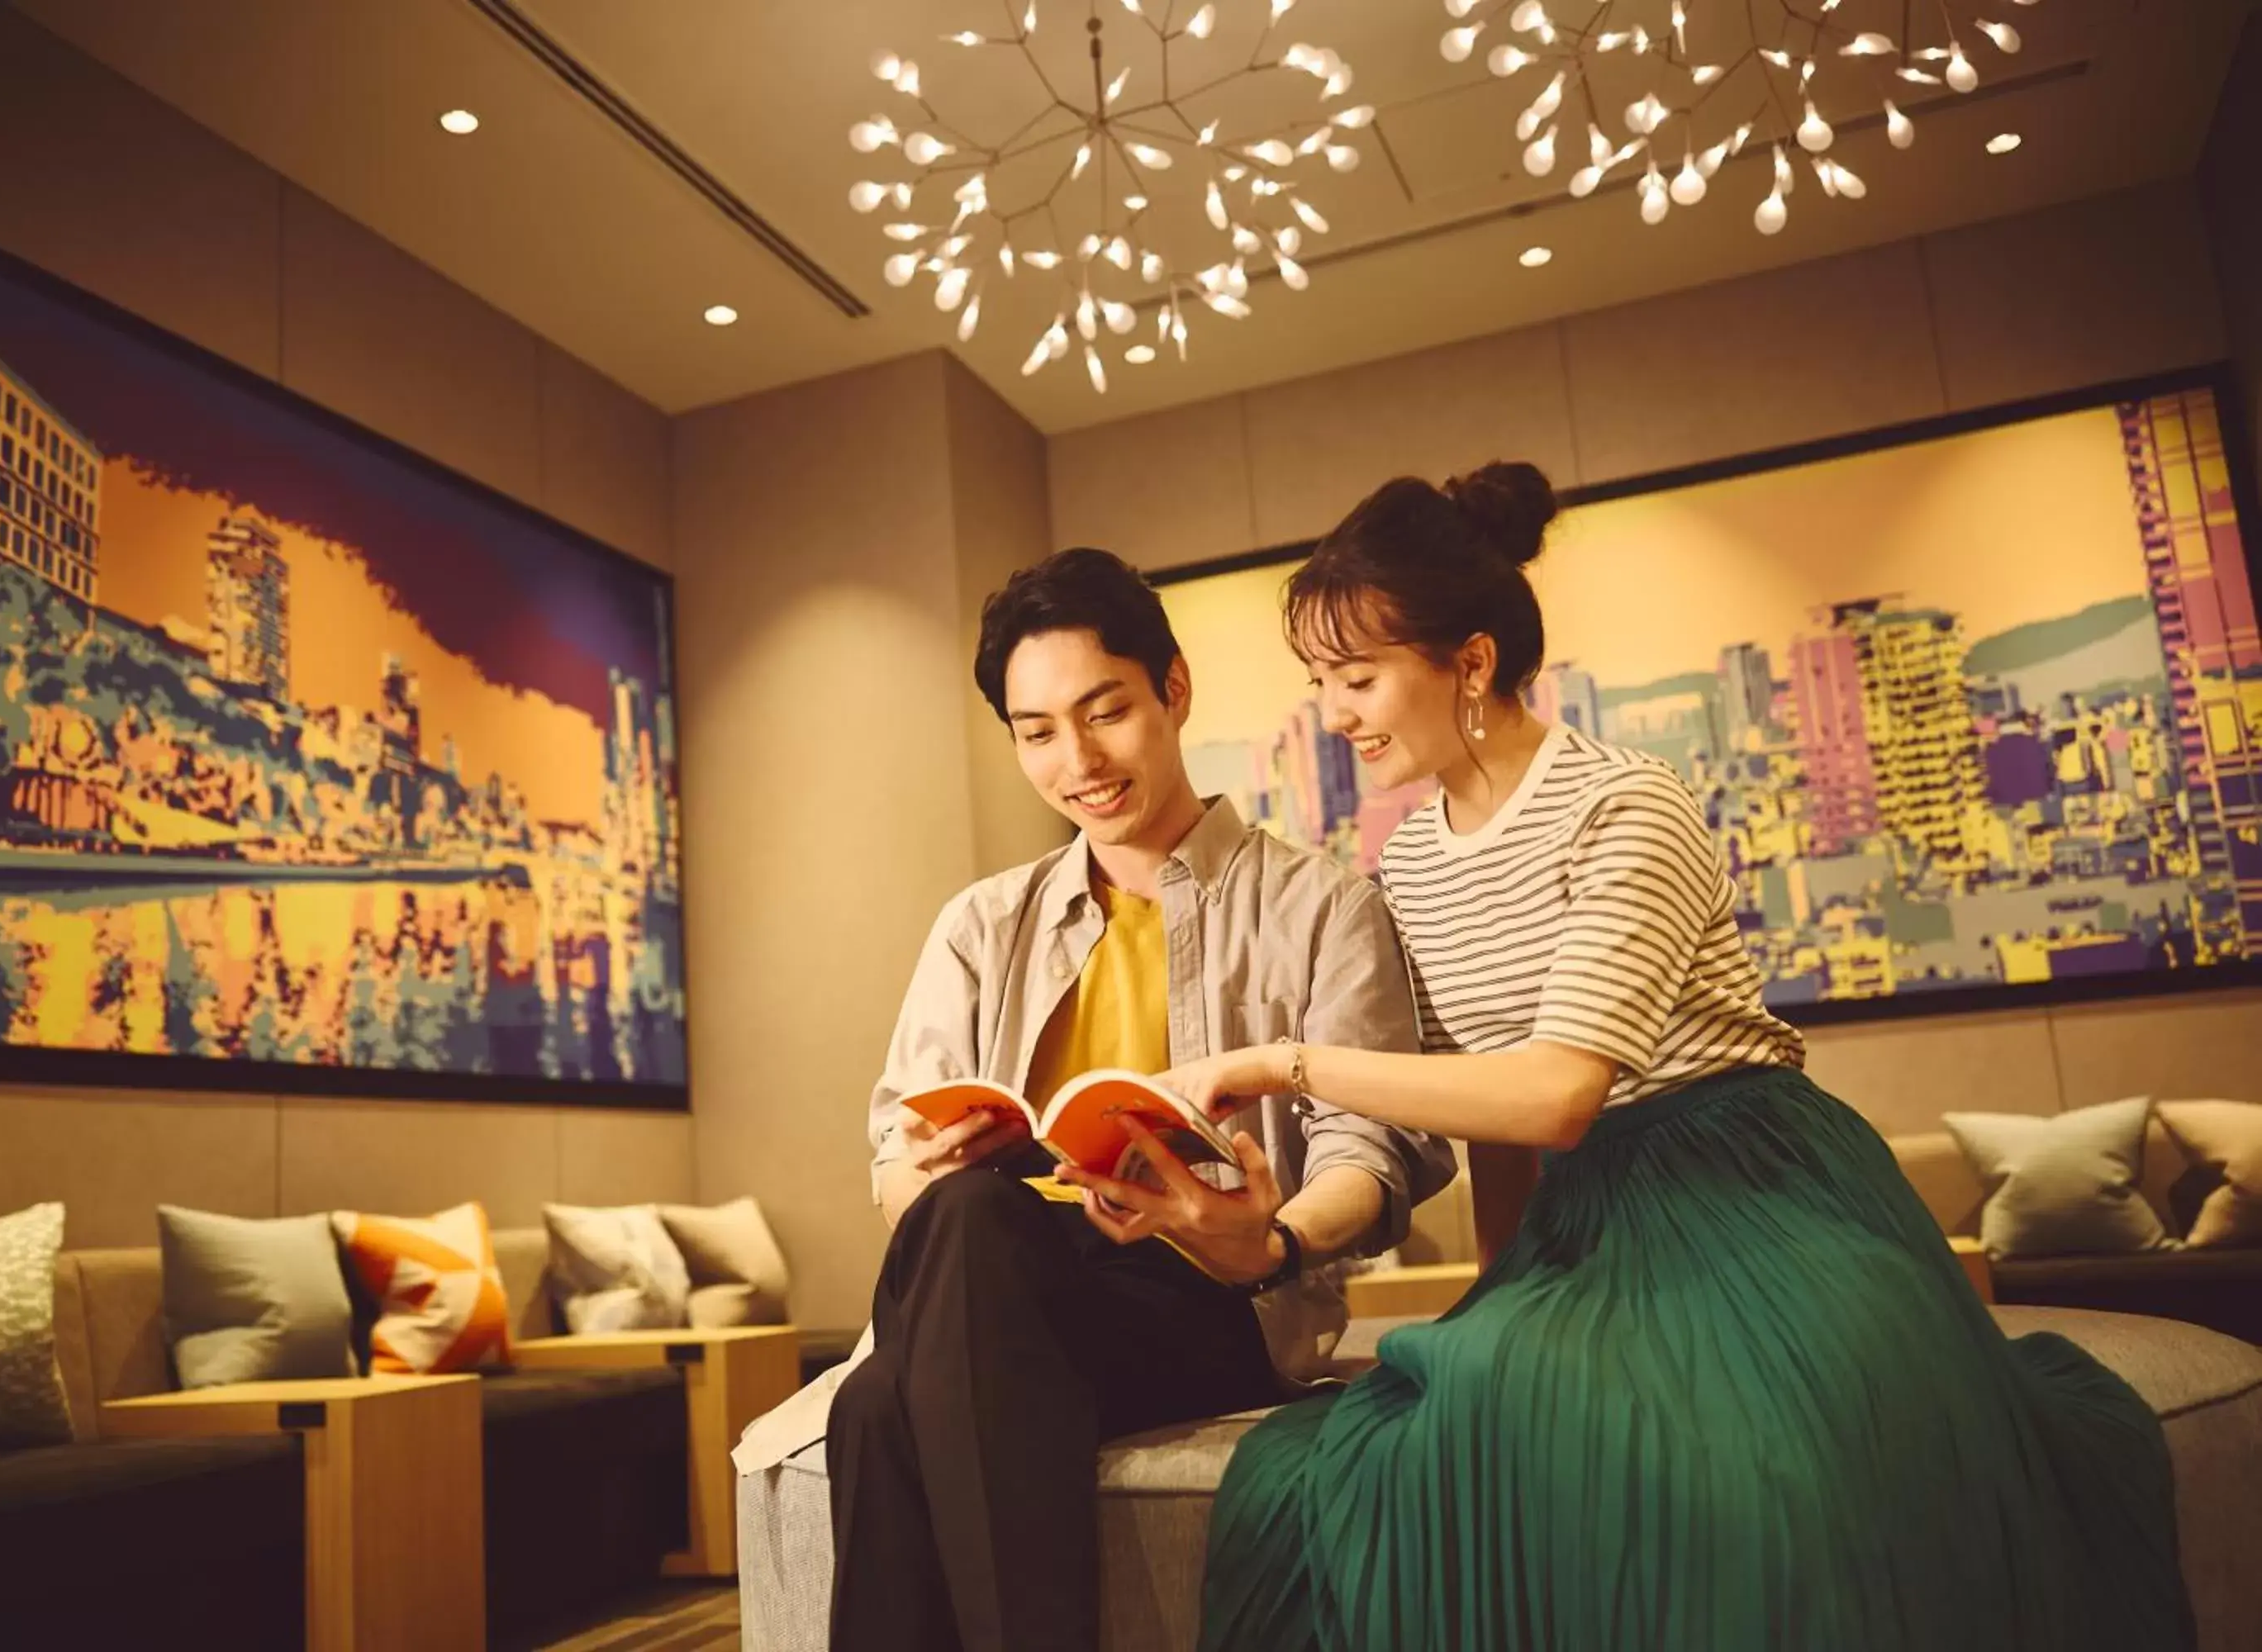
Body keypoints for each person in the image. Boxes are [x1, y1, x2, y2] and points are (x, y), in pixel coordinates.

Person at [1067, 468, 2192, 1651]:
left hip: (1753, 1188)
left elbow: (1557, 1094)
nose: (1338, 712)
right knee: (1470, 1411)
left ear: (1471, 662)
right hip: (1586, 1218)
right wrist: (1497, 1302)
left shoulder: (1626, 804)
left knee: (1781, 1452)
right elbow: (1497, 1129)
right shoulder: (1414, 865)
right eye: (1320, 683)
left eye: (1359, 678)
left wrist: (1291, 1062)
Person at [825, 546, 1454, 1652]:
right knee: (943, 1260)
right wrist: (919, 1173)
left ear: (1172, 690)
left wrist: (1266, 1241)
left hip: (1217, 1305)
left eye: (1104, 711)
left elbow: (1374, 1152)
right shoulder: (981, 926)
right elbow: (896, 1152)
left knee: (885, 1398)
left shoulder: (1320, 905)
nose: (1079, 760)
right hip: (1011, 1292)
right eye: (1037, 732)